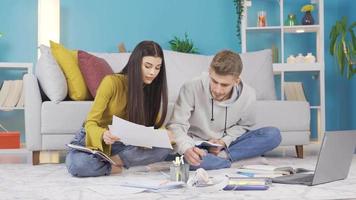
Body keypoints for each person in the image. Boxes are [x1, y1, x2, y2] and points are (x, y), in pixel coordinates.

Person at [66, 41, 172, 177]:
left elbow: (156, 126)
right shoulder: (111, 82)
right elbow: (90, 123)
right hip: (96, 140)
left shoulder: (151, 91)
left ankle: (111, 162)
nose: (152, 73)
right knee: (78, 164)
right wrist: (103, 134)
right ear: (136, 63)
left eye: (157, 68)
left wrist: (165, 134)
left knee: (163, 149)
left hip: (122, 144)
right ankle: (116, 167)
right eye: (148, 66)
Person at [167, 50, 281, 170]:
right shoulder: (191, 87)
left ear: (236, 81)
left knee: (273, 135)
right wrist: (187, 149)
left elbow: (244, 126)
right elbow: (176, 125)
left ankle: (220, 158)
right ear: (210, 72)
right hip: (195, 144)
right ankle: (232, 161)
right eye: (214, 81)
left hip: (225, 146)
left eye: (224, 85)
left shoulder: (248, 95)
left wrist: (223, 142)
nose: (217, 89)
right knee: (189, 159)